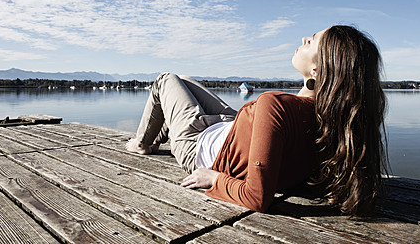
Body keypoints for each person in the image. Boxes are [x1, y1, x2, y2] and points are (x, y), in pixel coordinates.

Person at [126, 25, 388, 216]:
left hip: (199, 147)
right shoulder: (331, 120)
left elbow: (256, 197)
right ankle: (158, 137)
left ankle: (141, 144)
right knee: (183, 80)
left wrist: (215, 179)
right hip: (231, 129)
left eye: (312, 42)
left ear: (317, 71)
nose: (304, 37)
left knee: (165, 80)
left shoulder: (274, 104)